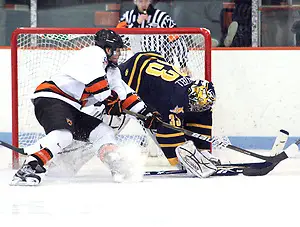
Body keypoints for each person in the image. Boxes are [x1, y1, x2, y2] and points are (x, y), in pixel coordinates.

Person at [10, 29, 161, 186]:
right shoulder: (93, 53)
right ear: (106, 49)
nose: (118, 54)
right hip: (52, 98)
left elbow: (123, 95)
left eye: (120, 50)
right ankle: (30, 166)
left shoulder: (112, 70)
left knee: (103, 132)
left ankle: (116, 163)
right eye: (115, 49)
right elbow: (98, 86)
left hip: (72, 107)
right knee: (64, 135)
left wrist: (146, 114)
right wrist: (110, 100)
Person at [116, 0, 190, 75]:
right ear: (135, 1)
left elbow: (177, 39)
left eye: (146, 1)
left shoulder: (162, 17)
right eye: (141, 1)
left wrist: (183, 64)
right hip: (139, 64)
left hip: (162, 63)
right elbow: (119, 36)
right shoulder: (128, 16)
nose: (144, 4)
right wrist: (136, 23)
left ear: (150, 1)